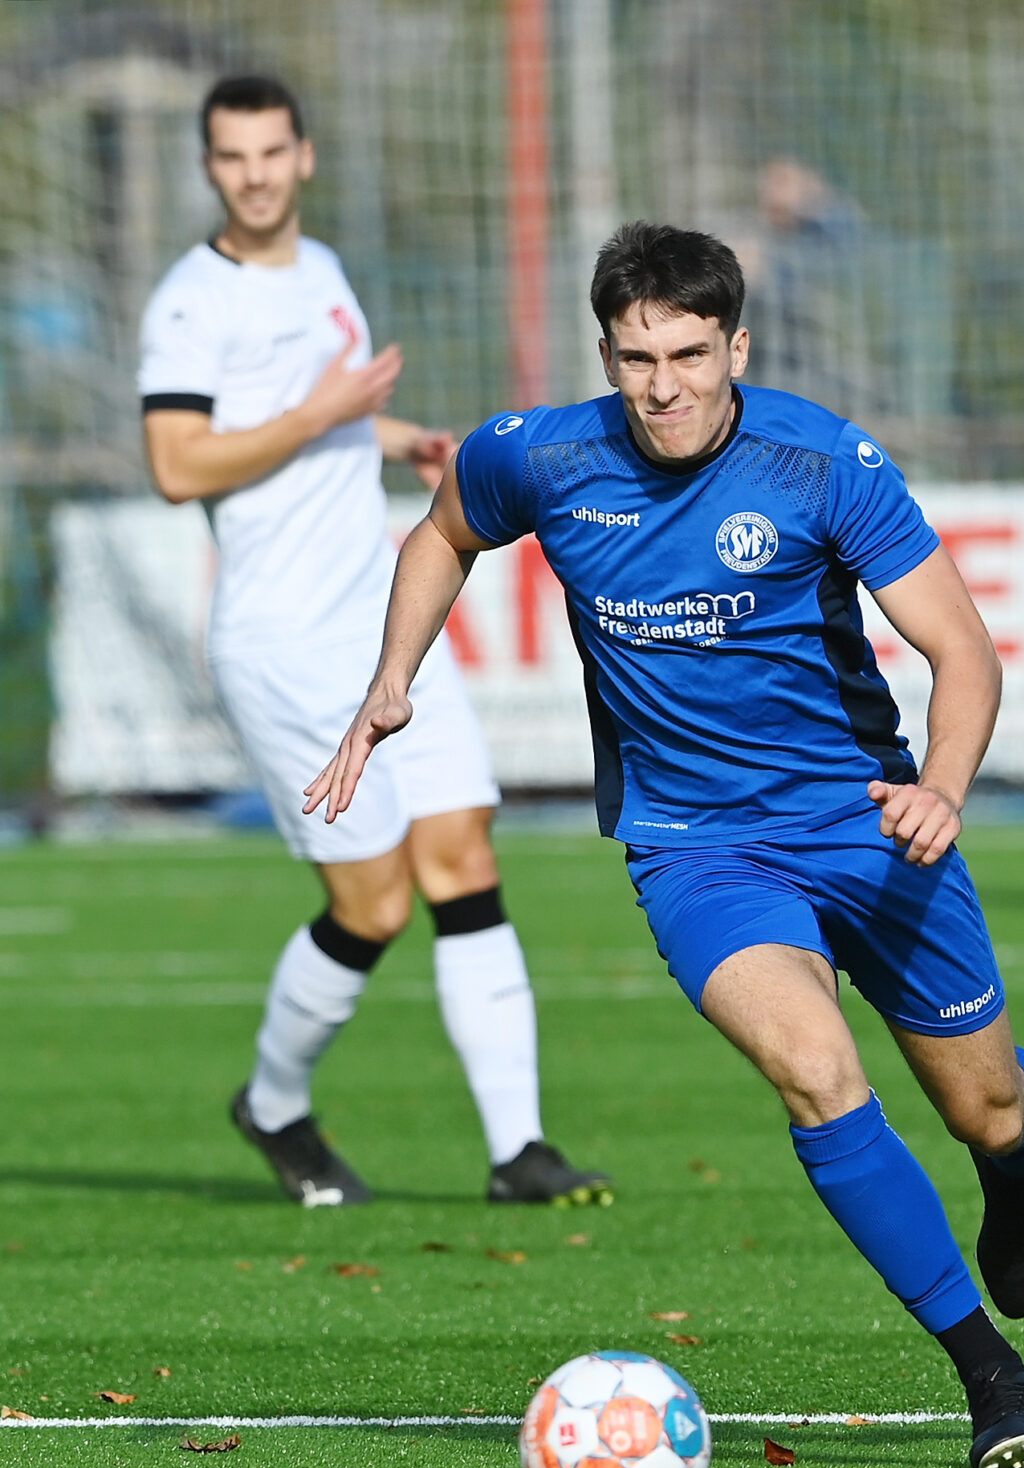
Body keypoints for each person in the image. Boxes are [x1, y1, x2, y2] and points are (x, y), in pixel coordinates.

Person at [305, 222, 1024, 1468]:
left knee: (985, 1108)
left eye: (690, 355)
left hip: (870, 824)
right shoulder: (537, 456)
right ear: (605, 353)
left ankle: (1021, 1166)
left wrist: (941, 782)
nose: (663, 386)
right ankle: (992, 1373)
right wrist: (394, 675)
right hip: (696, 849)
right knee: (817, 1071)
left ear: (738, 347)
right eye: (635, 357)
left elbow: (962, 650)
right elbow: (442, 532)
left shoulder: (819, 462)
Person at [140, 74, 605, 1209]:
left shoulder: (324, 269)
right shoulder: (191, 304)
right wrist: (319, 413)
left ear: (303, 155)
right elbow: (176, 464)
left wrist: (395, 434)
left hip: (383, 621)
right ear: (212, 169)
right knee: (376, 904)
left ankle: (519, 1151)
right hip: (285, 642)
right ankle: (273, 1102)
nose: (252, 173)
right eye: (231, 156)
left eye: (270, 151)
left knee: (463, 854)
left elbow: (319, 416)